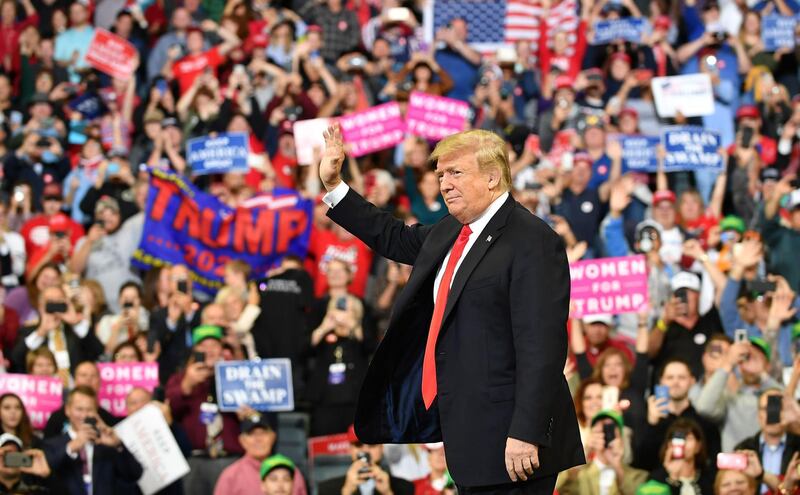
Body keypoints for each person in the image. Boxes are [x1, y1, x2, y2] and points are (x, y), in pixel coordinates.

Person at [318, 124, 583, 491]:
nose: (444, 184)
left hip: (514, 442)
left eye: (455, 173)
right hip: (466, 436)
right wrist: (335, 187)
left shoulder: (532, 240)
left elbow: (542, 346)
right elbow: (394, 237)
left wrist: (527, 430)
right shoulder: (450, 231)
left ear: (492, 178)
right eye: (440, 174)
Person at [165, 325, 243, 495]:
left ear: (222, 349)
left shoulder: (235, 375)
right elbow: (170, 411)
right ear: (195, 350)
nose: (209, 350)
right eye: (203, 346)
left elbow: (256, 407)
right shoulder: (180, 378)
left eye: (214, 345)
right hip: (195, 459)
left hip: (229, 457)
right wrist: (187, 385)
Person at [43, 386, 142, 495]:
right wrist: (71, 448)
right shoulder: (52, 445)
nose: (84, 415)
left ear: (96, 411)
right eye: (79, 409)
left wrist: (118, 445)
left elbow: (134, 474)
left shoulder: (106, 444)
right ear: (67, 410)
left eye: (89, 410)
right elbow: (45, 473)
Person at [213, 413, 307, 495]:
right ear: (242, 440)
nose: (258, 439)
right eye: (252, 434)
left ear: (273, 437)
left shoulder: (289, 471)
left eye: (263, 433)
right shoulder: (230, 475)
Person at [734, 389, 800, 493]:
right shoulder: (744, 448)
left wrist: (798, 420)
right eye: (766, 409)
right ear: (758, 415)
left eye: (777, 408)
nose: (772, 414)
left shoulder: (798, 447)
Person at [317, 425, 415, 495]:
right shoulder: (326, 489)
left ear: (382, 448)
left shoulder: (405, 488)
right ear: (350, 449)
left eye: (372, 444)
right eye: (358, 444)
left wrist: (387, 492)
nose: (365, 450)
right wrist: (347, 491)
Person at [42, 361, 118, 438]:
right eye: (83, 375)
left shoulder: (108, 419)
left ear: (99, 382)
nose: (88, 379)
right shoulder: (57, 417)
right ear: (74, 380)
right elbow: (47, 446)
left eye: (93, 376)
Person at [647, 418, 715, 494]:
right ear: (669, 445)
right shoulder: (656, 480)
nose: (683, 444)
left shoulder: (708, 479)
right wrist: (673, 478)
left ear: (698, 446)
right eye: (678, 439)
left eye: (688, 439)